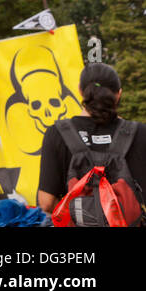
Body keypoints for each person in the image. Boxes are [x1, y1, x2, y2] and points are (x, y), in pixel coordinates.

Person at [37, 62, 146, 222]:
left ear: (81, 91)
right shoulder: (140, 133)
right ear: (119, 94)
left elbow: (46, 203)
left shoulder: (57, 133)